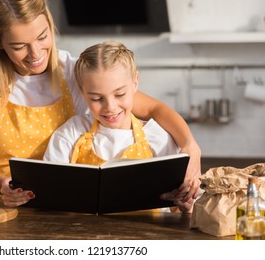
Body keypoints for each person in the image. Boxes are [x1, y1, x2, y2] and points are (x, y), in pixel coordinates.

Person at [0, 0, 201, 208]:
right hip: (4, 204)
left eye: (43, 37)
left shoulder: (70, 71)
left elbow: (153, 109)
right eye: (19, 46)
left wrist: (190, 145)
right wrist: (3, 185)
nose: (35, 53)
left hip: (58, 206)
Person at [43, 41, 193, 212]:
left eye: (120, 94)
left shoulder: (158, 138)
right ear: (82, 92)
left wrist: (185, 206)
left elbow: (178, 207)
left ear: (135, 83)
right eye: (96, 99)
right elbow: (50, 191)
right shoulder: (71, 133)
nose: (110, 107)